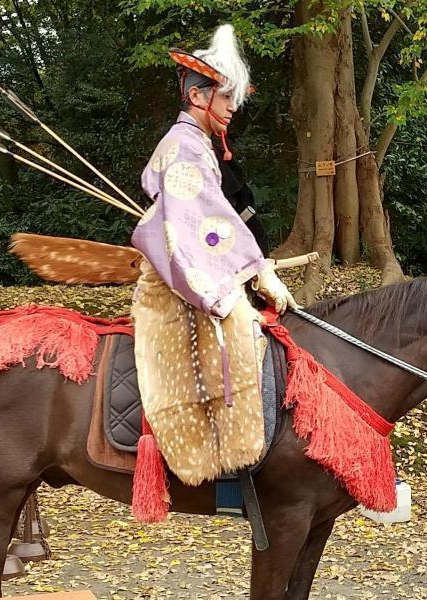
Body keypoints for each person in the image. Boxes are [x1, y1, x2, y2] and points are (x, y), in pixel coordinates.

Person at [130, 24, 297, 486]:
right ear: (198, 96)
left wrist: (255, 268)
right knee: (242, 331)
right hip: (177, 284)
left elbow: (211, 219)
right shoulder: (184, 148)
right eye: (226, 97)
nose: (233, 106)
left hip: (190, 269)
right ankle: (226, 461)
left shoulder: (195, 144)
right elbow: (203, 222)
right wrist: (258, 271)